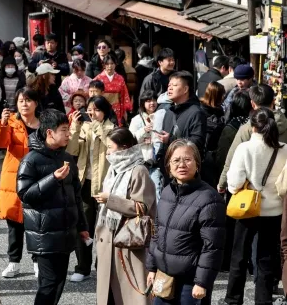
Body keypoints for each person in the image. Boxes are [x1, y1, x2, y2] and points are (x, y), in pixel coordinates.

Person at [17, 109, 88, 305]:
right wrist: (53, 179)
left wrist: (82, 227)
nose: (68, 134)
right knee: (49, 284)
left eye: (69, 130)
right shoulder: (31, 160)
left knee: (57, 282)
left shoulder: (67, 158)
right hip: (43, 234)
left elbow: (76, 196)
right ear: (49, 132)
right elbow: (25, 195)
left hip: (65, 233)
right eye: (64, 130)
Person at [146, 140, 226, 305]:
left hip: (191, 282)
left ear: (197, 163)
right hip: (164, 275)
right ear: (168, 165)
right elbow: (157, 233)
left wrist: (202, 282)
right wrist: (152, 267)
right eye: (176, 160)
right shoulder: (167, 192)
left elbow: (212, 247)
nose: (182, 164)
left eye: (188, 159)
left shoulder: (209, 199)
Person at [224, 108, 287, 305]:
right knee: (266, 258)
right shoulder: (284, 148)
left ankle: (233, 299)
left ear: (253, 128)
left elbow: (233, 183)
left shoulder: (245, 148)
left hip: (247, 209)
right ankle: (263, 299)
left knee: (239, 257)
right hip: (274, 210)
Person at [93, 128, 156, 305]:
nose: (108, 152)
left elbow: (143, 207)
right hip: (109, 237)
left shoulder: (138, 170)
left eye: (110, 147)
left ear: (124, 148)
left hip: (129, 240)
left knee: (129, 293)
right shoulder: (114, 169)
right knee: (110, 294)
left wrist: (110, 200)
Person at [66, 95, 115, 282]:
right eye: (90, 109)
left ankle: (102, 267)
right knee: (83, 227)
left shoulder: (113, 128)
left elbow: (112, 149)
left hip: (105, 185)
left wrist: (97, 127)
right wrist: (75, 127)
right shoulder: (84, 127)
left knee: (104, 229)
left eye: (96, 109)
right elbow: (71, 151)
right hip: (85, 184)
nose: (91, 113)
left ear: (104, 111)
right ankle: (82, 267)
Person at [0, 88, 39, 278]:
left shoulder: (44, 123)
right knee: (14, 224)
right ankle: (14, 262)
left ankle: (37, 261)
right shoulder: (11, 121)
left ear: (35, 103)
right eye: (21, 100)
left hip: (38, 176)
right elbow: (0, 143)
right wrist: (3, 124)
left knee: (36, 222)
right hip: (14, 177)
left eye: (28, 100)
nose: (24, 104)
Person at [160, 71, 207, 159]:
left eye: (174, 85)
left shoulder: (196, 113)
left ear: (185, 89)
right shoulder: (169, 112)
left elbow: (197, 142)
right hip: (168, 166)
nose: (170, 88)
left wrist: (170, 139)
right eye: (169, 85)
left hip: (186, 166)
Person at [199, 82, 225, 186]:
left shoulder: (219, 110)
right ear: (216, 95)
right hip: (206, 153)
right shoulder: (201, 111)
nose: (224, 97)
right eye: (222, 94)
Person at [95, 54, 132, 126]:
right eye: (107, 64)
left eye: (112, 63)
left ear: (115, 64)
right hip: (103, 106)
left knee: (115, 127)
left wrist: (124, 110)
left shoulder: (120, 78)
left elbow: (124, 95)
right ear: (103, 65)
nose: (110, 66)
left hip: (116, 107)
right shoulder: (98, 78)